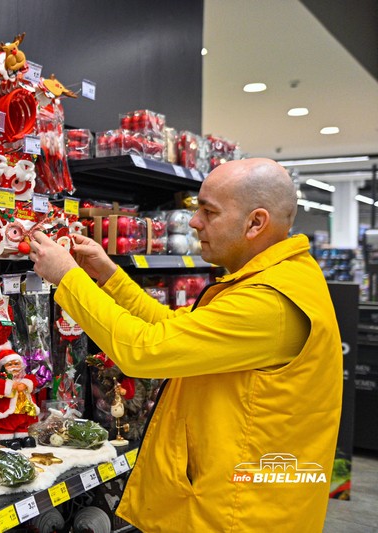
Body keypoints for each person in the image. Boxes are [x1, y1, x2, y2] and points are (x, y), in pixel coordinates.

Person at [28, 158, 342, 532]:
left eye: (209, 212)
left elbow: (146, 350)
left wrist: (68, 277)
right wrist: (109, 275)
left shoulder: (269, 303)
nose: (194, 222)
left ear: (256, 223)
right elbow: (176, 329)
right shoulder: (278, 280)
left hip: (239, 514)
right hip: (232, 500)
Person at [0, 349, 40, 449]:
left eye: (16, 364)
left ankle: (22, 436)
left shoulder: (24, 376)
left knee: (22, 422)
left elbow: (33, 380)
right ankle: (6, 438)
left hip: (22, 408)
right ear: (3, 366)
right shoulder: (1, 378)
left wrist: (25, 384)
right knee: (7, 423)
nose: (14, 367)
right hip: (7, 409)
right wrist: (11, 385)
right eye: (10, 364)